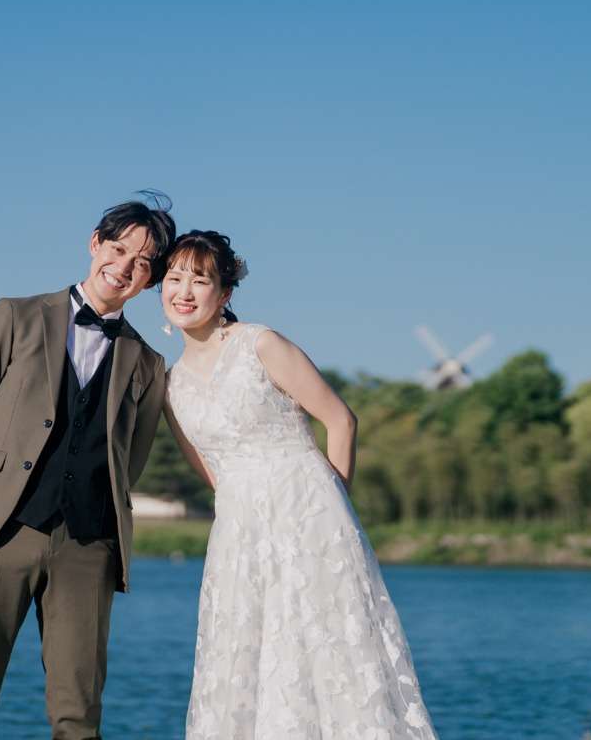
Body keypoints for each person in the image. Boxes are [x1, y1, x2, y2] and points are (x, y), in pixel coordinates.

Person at [163, 229, 438, 738]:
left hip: (309, 515)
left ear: (223, 294)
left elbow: (340, 420)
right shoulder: (171, 384)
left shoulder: (259, 344)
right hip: (240, 532)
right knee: (248, 657)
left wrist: (334, 516)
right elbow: (211, 472)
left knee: (328, 653)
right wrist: (242, 511)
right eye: (174, 278)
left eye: (199, 280)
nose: (184, 290)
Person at [0, 196, 178, 740]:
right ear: (95, 244)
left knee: (79, 716)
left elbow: (129, 461)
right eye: (118, 249)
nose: (125, 267)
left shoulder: (148, 363)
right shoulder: (14, 316)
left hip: (88, 547)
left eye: (143, 263)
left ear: (151, 280)